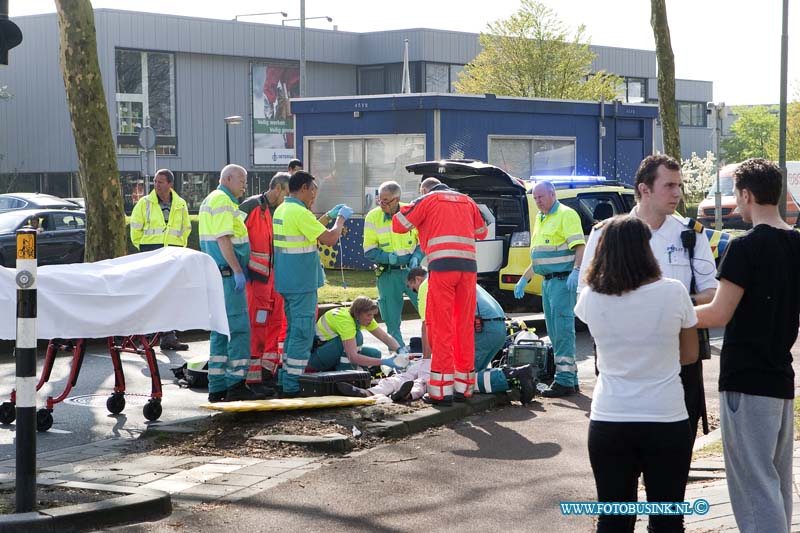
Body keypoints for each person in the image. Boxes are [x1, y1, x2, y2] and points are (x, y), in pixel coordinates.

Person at [579, 154, 718, 442]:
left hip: (679, 353)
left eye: (679, 186)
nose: (678, 193)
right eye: (669, 186)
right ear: (644, 189)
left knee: (676, 443)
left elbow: (711, 293)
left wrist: (676, 306)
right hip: (620, 359)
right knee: (621, 443)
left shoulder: (690, 235)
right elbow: (586, 294)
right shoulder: (606, 234)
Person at [695, 158, 800, 533]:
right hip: (780, 378)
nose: (736, 204)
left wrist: (667, 311)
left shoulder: (745, 248)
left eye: (737, 196)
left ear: (747, 194)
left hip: (746, 380)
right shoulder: (795, 242)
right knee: (775, 483)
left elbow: (718, 314)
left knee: (754, 488)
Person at [575, 215, 698, 533]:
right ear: (646, 250)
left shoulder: (591, 297)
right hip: (666, 418)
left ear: (604, 251)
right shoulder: (674, 292)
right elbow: (690, 355)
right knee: (667, 519)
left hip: (610, 418)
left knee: (614, 519)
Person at [393, 180, 488, 405]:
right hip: (468, 269)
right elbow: (482, 232)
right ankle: (464, 388)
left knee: (442, 326)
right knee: (464, 326)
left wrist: (402, 206)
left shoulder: (427, 199)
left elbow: (399, 224)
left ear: (425, 190)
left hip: (442, 268)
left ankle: (441, 392)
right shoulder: (467, 200)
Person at [273, 170, 352, 397]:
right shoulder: (300, 212)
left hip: (287, 281)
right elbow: (329, 238)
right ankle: (293, 384)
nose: (314, 195)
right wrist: (340, 219)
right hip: (302, 283)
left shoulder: (283, 209)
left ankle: (284, 378)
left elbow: (307, 231)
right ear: (305, 188)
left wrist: (327, 215)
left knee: (291, 334)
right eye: (313, 190)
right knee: (302, 334)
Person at [198, 164, 264, 402]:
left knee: (219, 331)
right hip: (227, 276)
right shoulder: (223, 202)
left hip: (217, 275)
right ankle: (235, 384)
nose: (245, 185)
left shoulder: (211, 200)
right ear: (227, 178)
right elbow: (223, 238)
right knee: (238, 330)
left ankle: (216, 387)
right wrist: (237, 269)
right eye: (242, 180)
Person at [514, 180, 584, 398]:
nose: (538, 201)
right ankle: (570, 379)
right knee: (554, 333)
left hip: (563, 281)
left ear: (552, 194)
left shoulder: (566, 214)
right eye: (535, 198)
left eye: (541, 197)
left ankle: (564, 382)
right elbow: (539, 255)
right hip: (548, 282)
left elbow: (579, 246)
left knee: (563, 331)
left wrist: (576, 270)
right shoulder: (540, 217)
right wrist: (524, 278)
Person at [239, 172, 290, 396]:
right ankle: (253, 379)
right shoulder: (251, 206)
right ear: (278, 188)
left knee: (275, 324)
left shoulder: (281, 210)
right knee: (257, 327)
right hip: (257, 278)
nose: (287, 198)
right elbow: (235, 237)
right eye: (286, 193)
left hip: (275, 278)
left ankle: (268, 373)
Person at [129, 168, 192, 351]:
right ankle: (148, 334)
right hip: (151, 251)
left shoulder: (180, 203)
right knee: (152, 294)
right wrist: (142, 248)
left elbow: (185, 228)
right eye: (155, 182)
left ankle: (167, 336)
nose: (156, 185)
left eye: (160, 182)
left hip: (173, 252)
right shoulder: (145, 203)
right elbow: (135, 228)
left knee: (170, 294)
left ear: (170, 184)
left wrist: (180, 247)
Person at [363, 181, 424, 347]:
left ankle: (433, 354)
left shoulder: (411, 211)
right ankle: (399, 359)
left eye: (386, 201)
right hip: (388, 274)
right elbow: (369, 250)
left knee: (429, 313)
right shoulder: (373, 217)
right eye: (380, 200)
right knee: (391, 321)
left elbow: (423, 240)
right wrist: (386, 257)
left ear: (397, 199)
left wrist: (417, 256)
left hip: (413, 273)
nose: (382, 204)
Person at [308, 296, 404, 372]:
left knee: (375, 354)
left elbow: (385, 337)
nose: (371, 318)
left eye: (373, 315)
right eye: (369, 315)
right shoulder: (345, 321)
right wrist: (384, 362)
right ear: (358, 314)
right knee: (357, 337)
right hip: (317, 358)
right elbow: (353, 357)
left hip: (329, 352)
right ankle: (345, 375)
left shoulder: (362, 318)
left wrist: (400, 349)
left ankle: (350, 370)